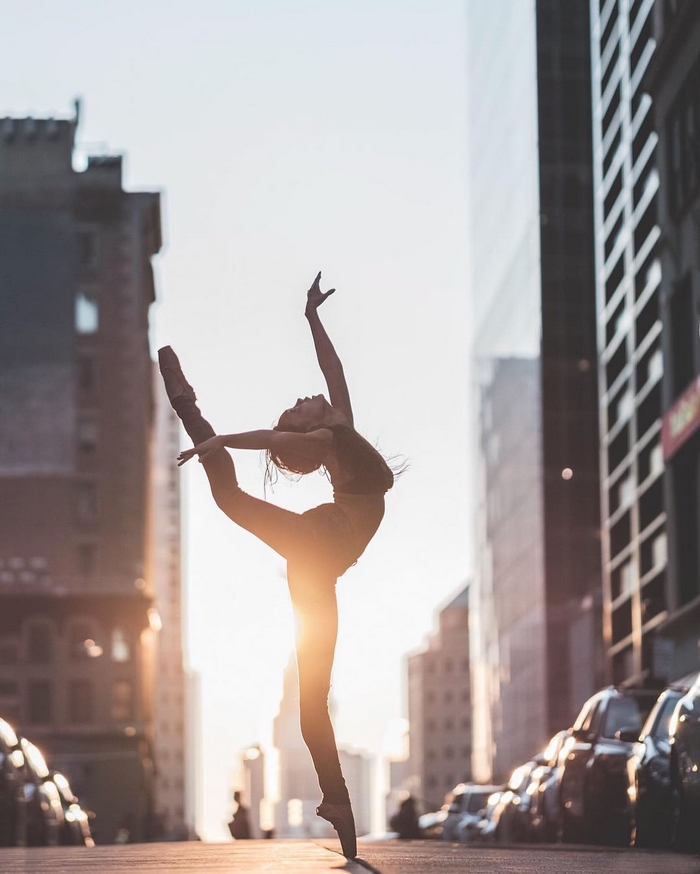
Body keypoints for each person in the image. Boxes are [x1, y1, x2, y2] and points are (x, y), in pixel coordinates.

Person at [158, 272, 397, 859]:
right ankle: (189, 408)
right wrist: (225, 441)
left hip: (318, 568)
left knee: (313, 696)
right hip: (320, 540)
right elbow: (270, 434)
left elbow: (333, 370)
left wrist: (311, 316)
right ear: (301, 430)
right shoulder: (321, 440)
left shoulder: (339, 425)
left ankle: (337, 802)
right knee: (232, 497)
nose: (302, 397)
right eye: (297, 407)